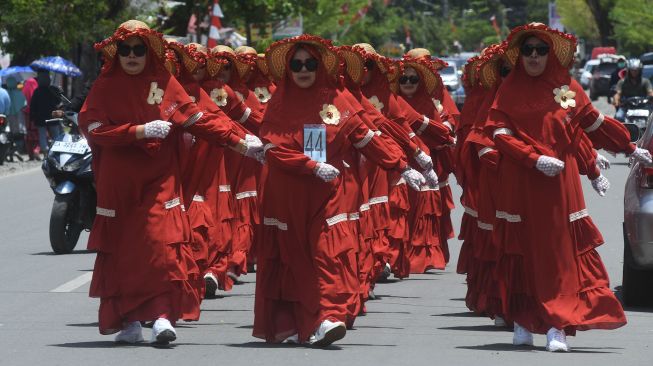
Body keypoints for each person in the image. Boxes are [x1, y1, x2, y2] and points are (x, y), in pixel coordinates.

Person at [79, 20, 262, 346]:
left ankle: (163, 315)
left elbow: (199, 119)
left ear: (149, 52)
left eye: (139, 49)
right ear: (117, 53)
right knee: (125, 252)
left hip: (160, 180)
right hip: (119, 184)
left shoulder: (164, 83)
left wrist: (243, 143)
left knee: (164, 246)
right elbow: (93, 129)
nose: (132, 56)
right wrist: (138, 131)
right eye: (126, 50)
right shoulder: (104, 87)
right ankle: (130, 319)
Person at [252, 35, 425, 346]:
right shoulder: (278, 103)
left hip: (328, 191)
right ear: (288, 70)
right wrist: (310, 166)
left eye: (310, 64)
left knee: (328, 252)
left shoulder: (336, 99)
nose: (303, 70)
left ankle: (329, 316)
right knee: (297, 259)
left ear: (320, 67)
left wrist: (401, 166)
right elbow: (272, 150)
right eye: (296, 64)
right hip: (288, 194)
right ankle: (301, 321)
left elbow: (365, 137)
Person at [485, 23, 627, 352]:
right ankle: (522, 319)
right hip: (521, 180)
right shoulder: (508, 88)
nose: (534, 56)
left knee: (558, 253)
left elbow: (583, 128)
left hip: (559, 186)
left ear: (551, 54)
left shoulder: (567, 86)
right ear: (519, 55)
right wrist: (533, 159)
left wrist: (615, 156)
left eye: (541, 50)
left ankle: (556, 324)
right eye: (528, 50)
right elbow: (499, 134)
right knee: (521, 250)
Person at [30, 70, 62, 154]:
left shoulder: (37, 91)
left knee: (42, 135)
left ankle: (45, 151)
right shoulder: (53, 90)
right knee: (56, 135)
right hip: (53, 117)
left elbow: (32, 105)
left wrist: (32, 117)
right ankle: (56, 151)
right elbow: (59, 101)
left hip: (40, 118)